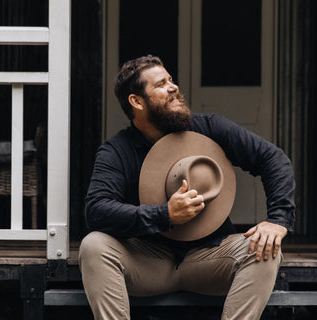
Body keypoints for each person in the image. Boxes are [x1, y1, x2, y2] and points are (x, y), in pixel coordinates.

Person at [79, 55, 295, 320]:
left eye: (171, 80)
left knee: (265, 247)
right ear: (137, 101)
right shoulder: (117, 150)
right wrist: (164, 215)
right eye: (161, 84)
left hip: (211, 258)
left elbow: (273, 159)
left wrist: (278, 220)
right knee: (93, 245)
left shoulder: (208, 127)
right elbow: (97, 210)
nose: (174, 87)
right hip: (147, 262)